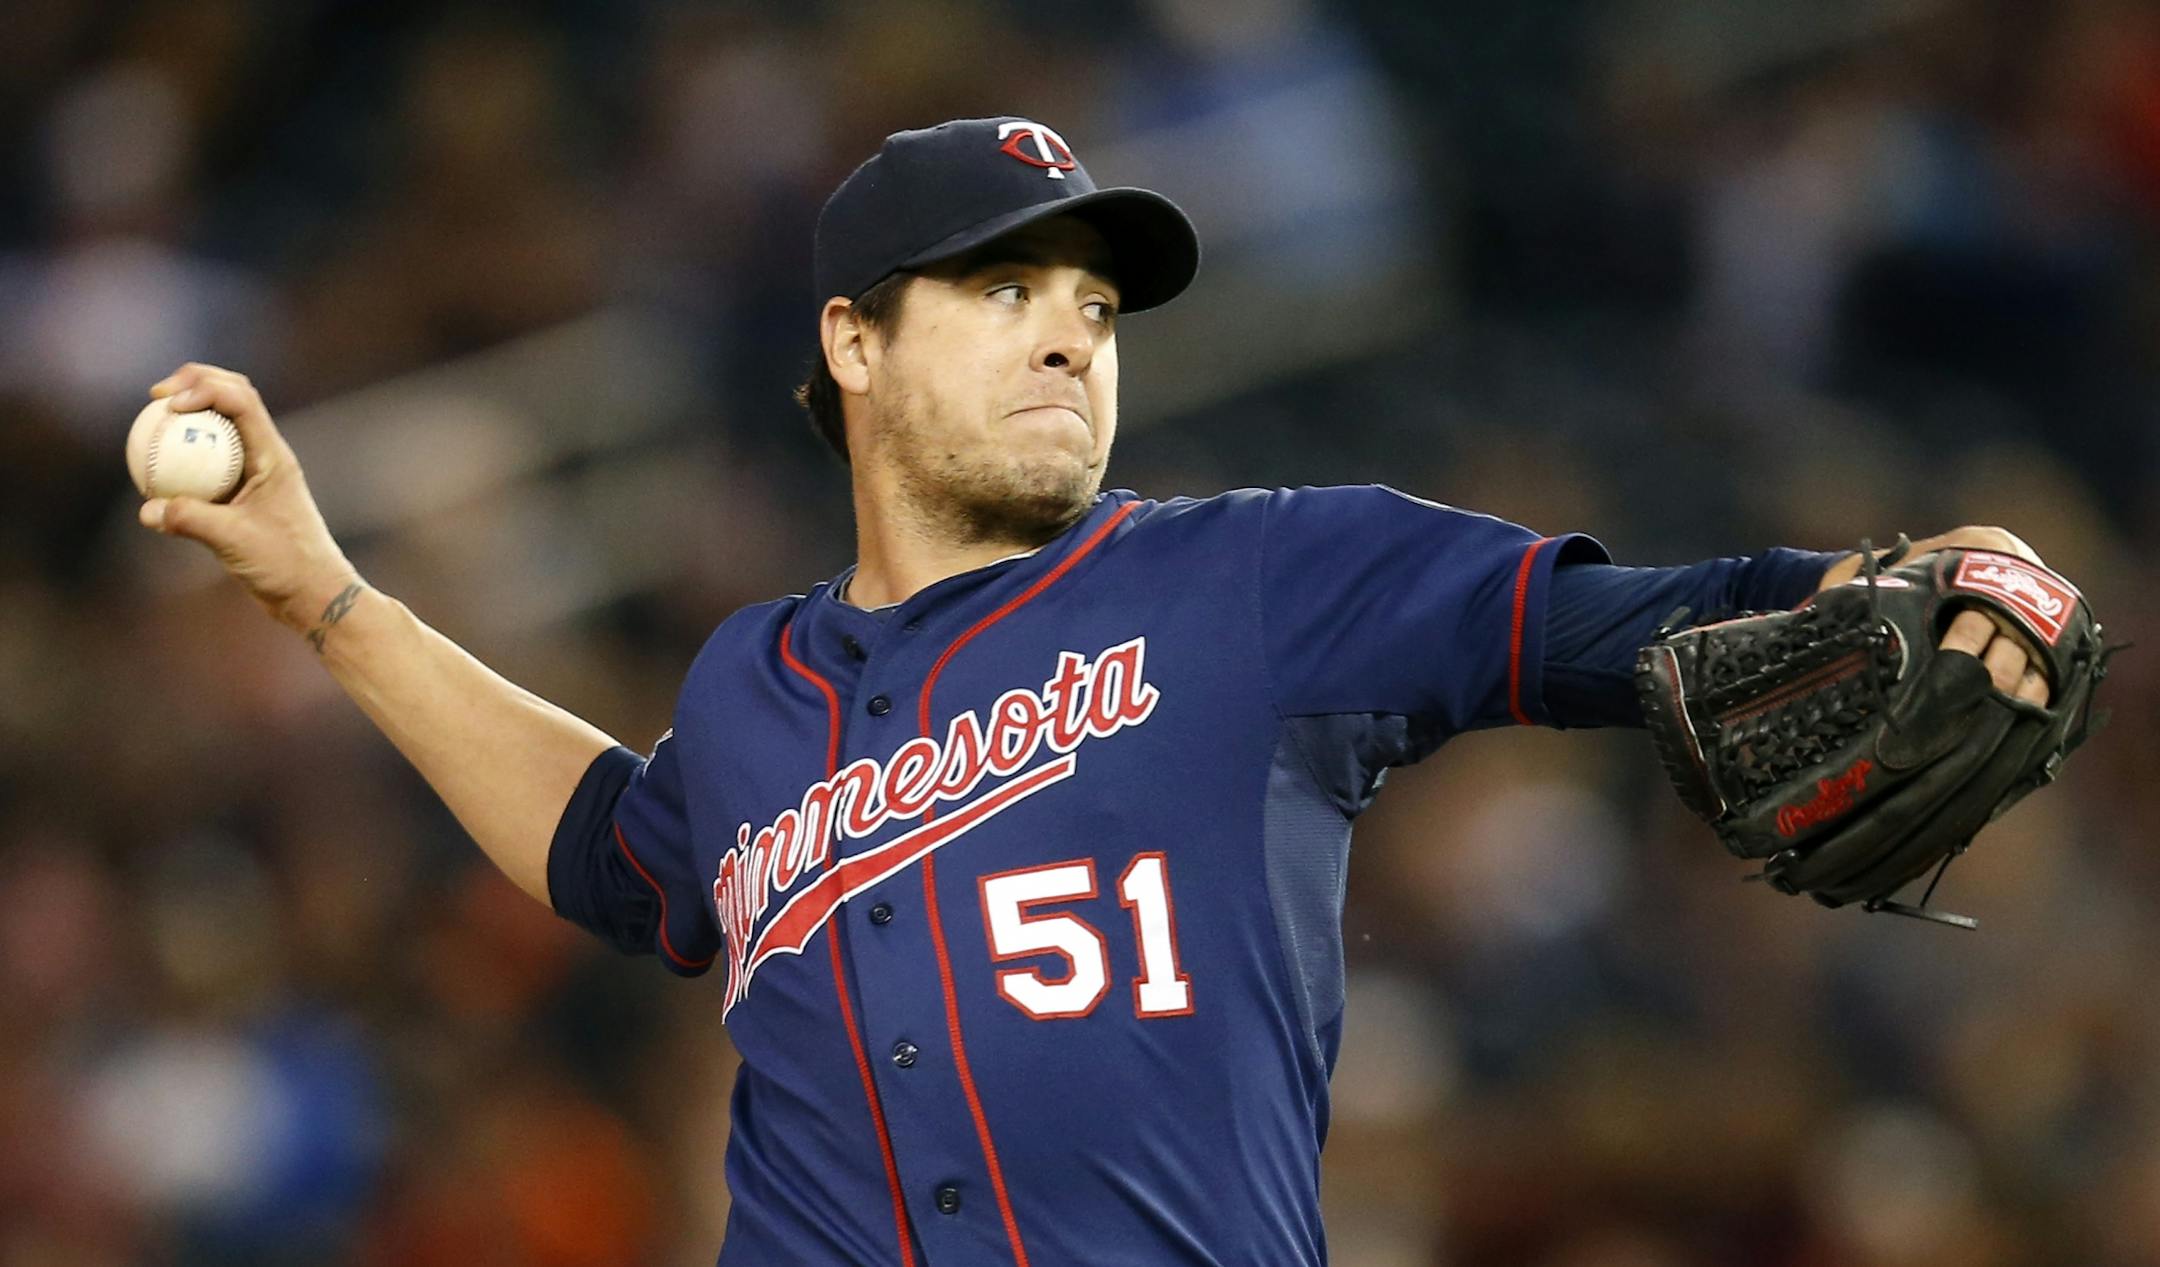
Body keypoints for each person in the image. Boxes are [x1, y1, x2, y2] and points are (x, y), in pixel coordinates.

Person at [139, 116, 2052, 1266]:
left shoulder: (1266, 579)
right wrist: (328, 600)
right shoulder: (749, 689)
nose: (1070, 323)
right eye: (1004, 286)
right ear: (853, 344)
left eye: (1097, 303)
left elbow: (1646, 622)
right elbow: (628, 856)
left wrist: (1946, 576)